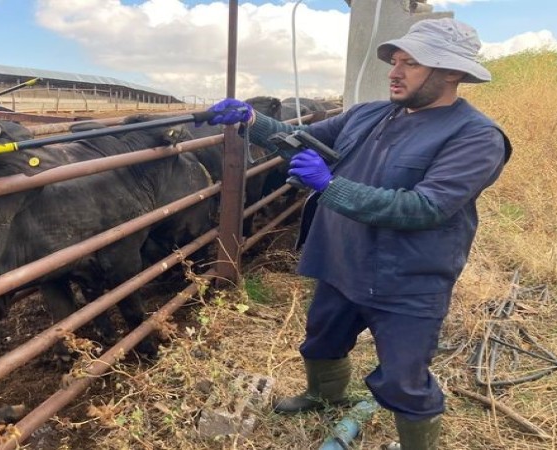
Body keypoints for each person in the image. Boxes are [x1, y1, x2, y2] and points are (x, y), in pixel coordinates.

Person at [205, 18, 511, 449]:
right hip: (342, 257)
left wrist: (330, 186)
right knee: (321, 339)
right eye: (396, 60)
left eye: (412, 63)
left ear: (452, 73)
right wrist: (253, 120)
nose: (395, 71)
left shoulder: (476, 137)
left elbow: (426, 207)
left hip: (408, 275)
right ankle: (322, 396)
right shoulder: (369, 115)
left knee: (405, 378)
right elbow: (301, 139)